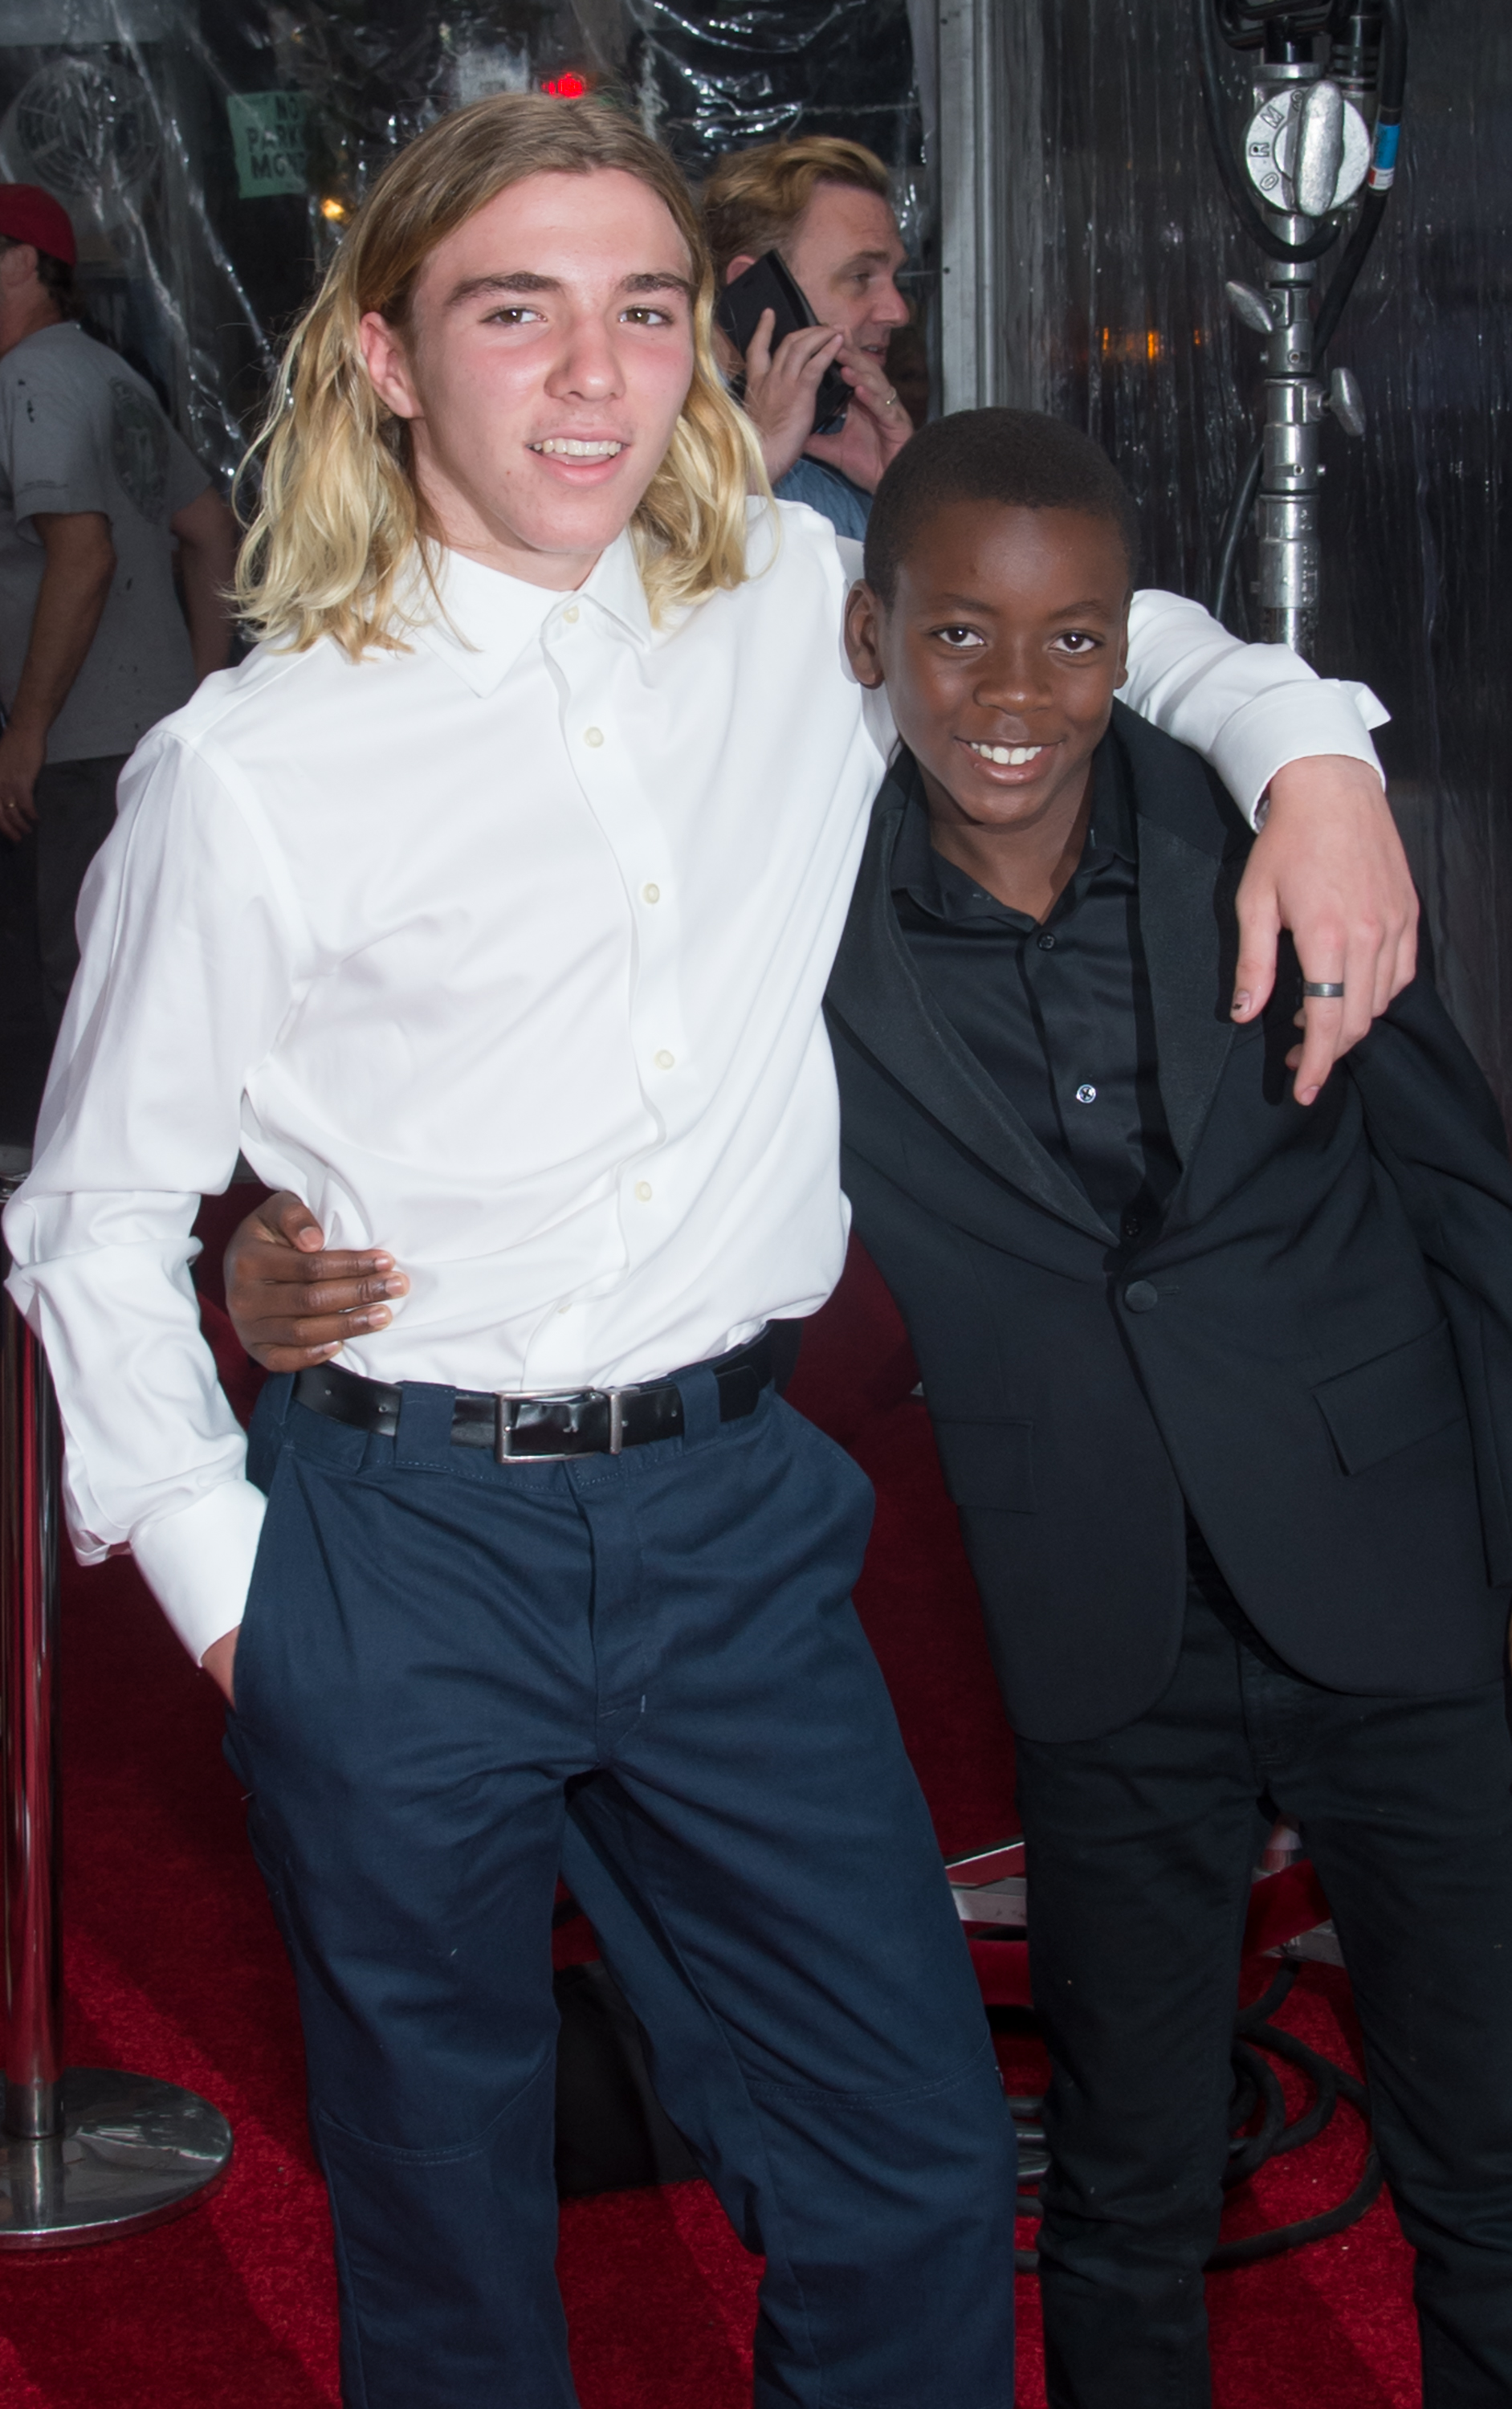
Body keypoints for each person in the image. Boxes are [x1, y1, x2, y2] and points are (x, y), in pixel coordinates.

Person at [10, 89, 1415, 2404]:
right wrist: (237, 1603)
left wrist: (1321, 765)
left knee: (910, 2183)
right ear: (387, 358)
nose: (591, 375)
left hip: (735, 1536)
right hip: (399, 1546)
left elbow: (1117, 625)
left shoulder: (788, 603)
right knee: (453, 2238)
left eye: (642, 310)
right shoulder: (251, 771)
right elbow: (91, 1217)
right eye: (515, 312)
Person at [821, 410, 1512, 2406]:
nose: (1017, 696)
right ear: (873, 641)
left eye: (1072, 642)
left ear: (1134, 644)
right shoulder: (804, 907)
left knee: (1484, 2155)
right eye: (959, 638)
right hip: (1102, 1622)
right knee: (1128, 2184)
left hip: (1394, 1575)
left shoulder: (1278, 833)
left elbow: (1462, 1189)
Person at [0, 184, 235, 1035]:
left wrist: (27, 728)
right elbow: (210, 530)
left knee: (84, 983)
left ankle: (77, 1165)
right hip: (146, 732)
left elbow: (84, 550)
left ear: (24, 263)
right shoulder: (109, 373)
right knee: (149, 967)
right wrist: (208, 699)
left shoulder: (30, 379)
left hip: (78, 750)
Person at [701, 136, 915, 537]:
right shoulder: (653, 437)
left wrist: (905, 490)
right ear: (755, 285)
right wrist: (750, 471)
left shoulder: (850, 434)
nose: (897, 312)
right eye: (860, 277)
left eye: (895, 278)